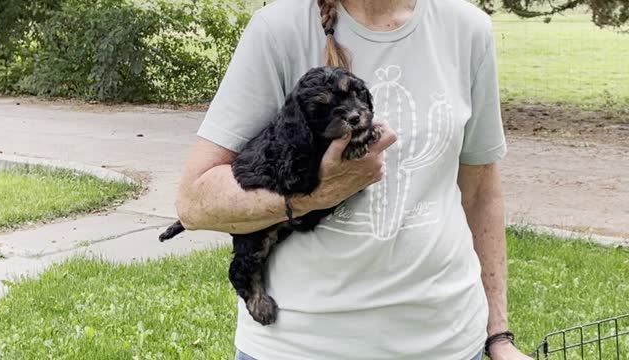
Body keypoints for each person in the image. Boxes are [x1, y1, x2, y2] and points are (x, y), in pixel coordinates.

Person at [175, 0, 532, 358]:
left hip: (450, 342)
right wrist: (313, 195)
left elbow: (481, 191)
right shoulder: (277, 29)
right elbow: (194, 203)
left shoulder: (466, 27)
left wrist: (498, 333)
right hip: (299, 347)